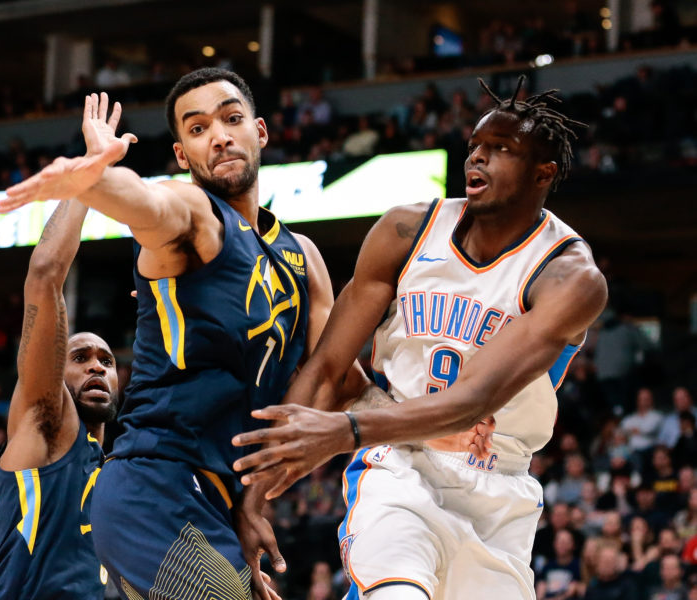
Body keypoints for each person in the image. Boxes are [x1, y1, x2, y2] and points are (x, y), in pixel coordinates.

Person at [0, 68, 394, 599]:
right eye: (199, 128)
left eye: (231, 119)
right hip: (154, 488)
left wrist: (438, 431)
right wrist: (94, 178)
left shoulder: (303, 258)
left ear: (260, 131)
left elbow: (344, 386)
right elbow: (149, 204)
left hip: (217, 504)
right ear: (183, 155)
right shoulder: (196, 218)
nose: (220, 136)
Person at [232, 77, 607, 600]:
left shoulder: (569, 277)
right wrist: (255, 500)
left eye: (501, 149)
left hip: (498, 487)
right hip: (397, 461)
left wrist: (344, 430)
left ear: (543, 173)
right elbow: (327, 368)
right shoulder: (407, 230)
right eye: (475, 146)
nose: (478, 158)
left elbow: (470, 402)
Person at [0, 102, 123, 600]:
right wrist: (91, 171)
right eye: (80, 358)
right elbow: (44, 277)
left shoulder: (119, 469)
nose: (97, 367)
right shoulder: (46, 425)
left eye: (105, 360)